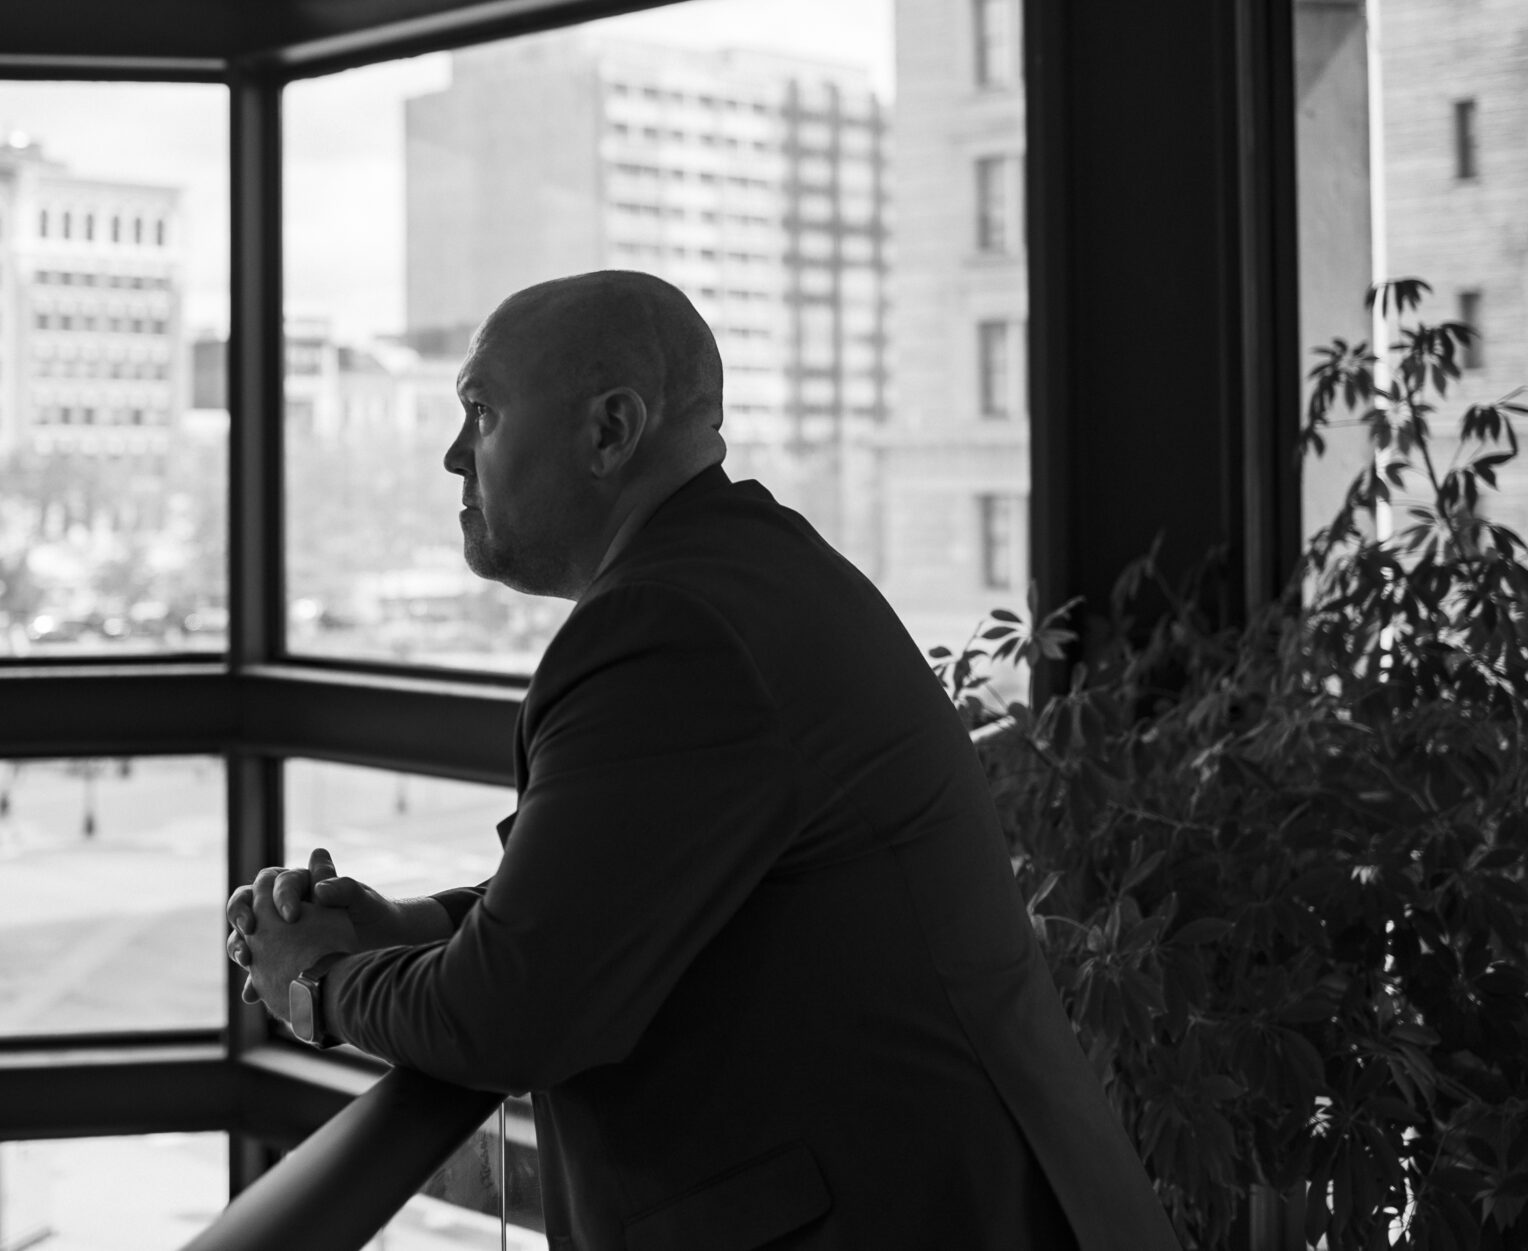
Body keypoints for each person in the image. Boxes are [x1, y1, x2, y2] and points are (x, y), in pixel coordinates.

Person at [229, 272, 1181, 1251]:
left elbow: (511, 1017)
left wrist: (322, 983)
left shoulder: (668, 630)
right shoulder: (748, 569)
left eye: (482, 411)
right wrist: (417, 926)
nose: (452, 455)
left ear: (609, 432)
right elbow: (626, 878)